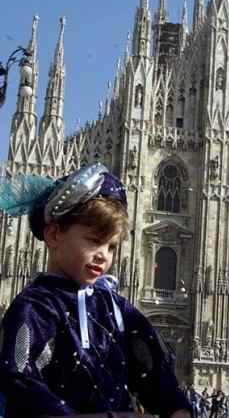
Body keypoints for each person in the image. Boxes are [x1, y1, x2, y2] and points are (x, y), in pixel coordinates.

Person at [0, 163, 191, 418]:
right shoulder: (37, 306)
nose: (103, 255)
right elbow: (18, 376)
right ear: (54, 235)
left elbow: (151, 370)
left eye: (111, 247)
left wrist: (176, 407)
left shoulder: (114, 308)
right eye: (94, 241)